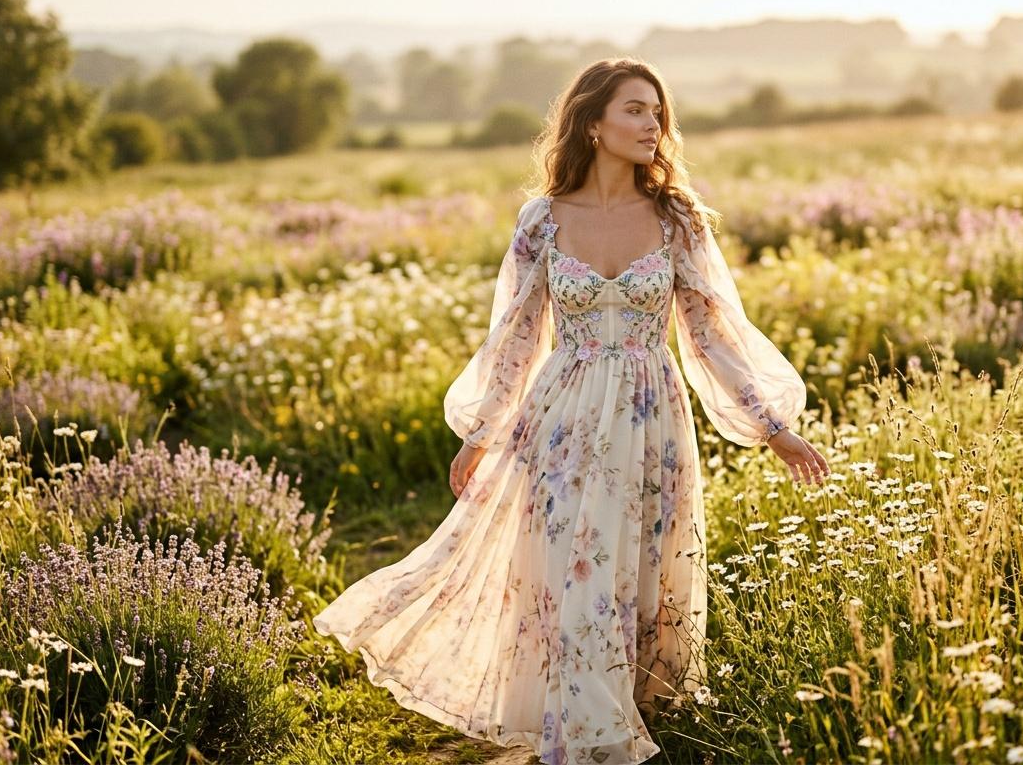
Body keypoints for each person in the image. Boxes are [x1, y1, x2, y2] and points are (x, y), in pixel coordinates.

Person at [314, 57, 830, 765]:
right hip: (559, 420)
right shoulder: (543, 221)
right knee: (573, 573)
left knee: (640, 572)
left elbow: (710, 336)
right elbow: (517, 337)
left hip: (653, 419)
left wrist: (774, 429)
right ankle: (584, 736)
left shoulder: (678, 218)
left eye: (657, 112)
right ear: (592, 124)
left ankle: (637, 711)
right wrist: (483, 433)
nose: (654, 125)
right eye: (635, 111)